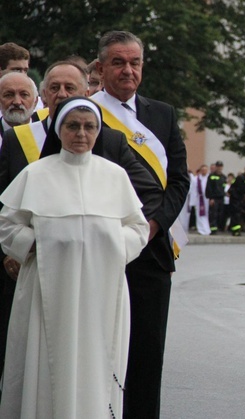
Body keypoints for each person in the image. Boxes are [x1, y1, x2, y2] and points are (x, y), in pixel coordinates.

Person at [0, 63, 162, 387]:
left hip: (100, 286)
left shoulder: (115, 177)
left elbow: (137, 227)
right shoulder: (35, 174)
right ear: (59, 129)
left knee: (93, 372)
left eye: (90, 127)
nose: (81, 134)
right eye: (73, 126)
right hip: (46, 287)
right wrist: (36, 244)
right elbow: (8, 224)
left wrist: (113, 245)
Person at [91, 30, 190, 419]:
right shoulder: (84, 114)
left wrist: (152, 227)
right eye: (118, 62)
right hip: (99, 248)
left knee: (147, 355)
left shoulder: (161, 114)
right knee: (98, 349)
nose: (128, 70)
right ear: (100, 68)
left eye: (134, 62)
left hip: (151, 251)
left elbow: (179, 180)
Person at [206, 160, 226, 234]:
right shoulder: (211, 176)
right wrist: (211, 198)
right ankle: (213, 229)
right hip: (214, 198)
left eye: (220, 166)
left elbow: (224, 187)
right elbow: (209, 188)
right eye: (218, 166)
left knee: (220, 213)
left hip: (221, 198)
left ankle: (218, 227)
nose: (219, 168)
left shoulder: (223, 177)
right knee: (213, 214)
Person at [192, 164, 211, 235]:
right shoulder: (196, 179)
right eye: (202, 170)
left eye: (205, 170)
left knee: (207, 214)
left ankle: (207, 229)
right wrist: (193, 201)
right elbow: (193, 190)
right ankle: (201, 229)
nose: (204, 171)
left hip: (207, 199)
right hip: (199, 199)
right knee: (199, 214)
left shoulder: (209, 178)